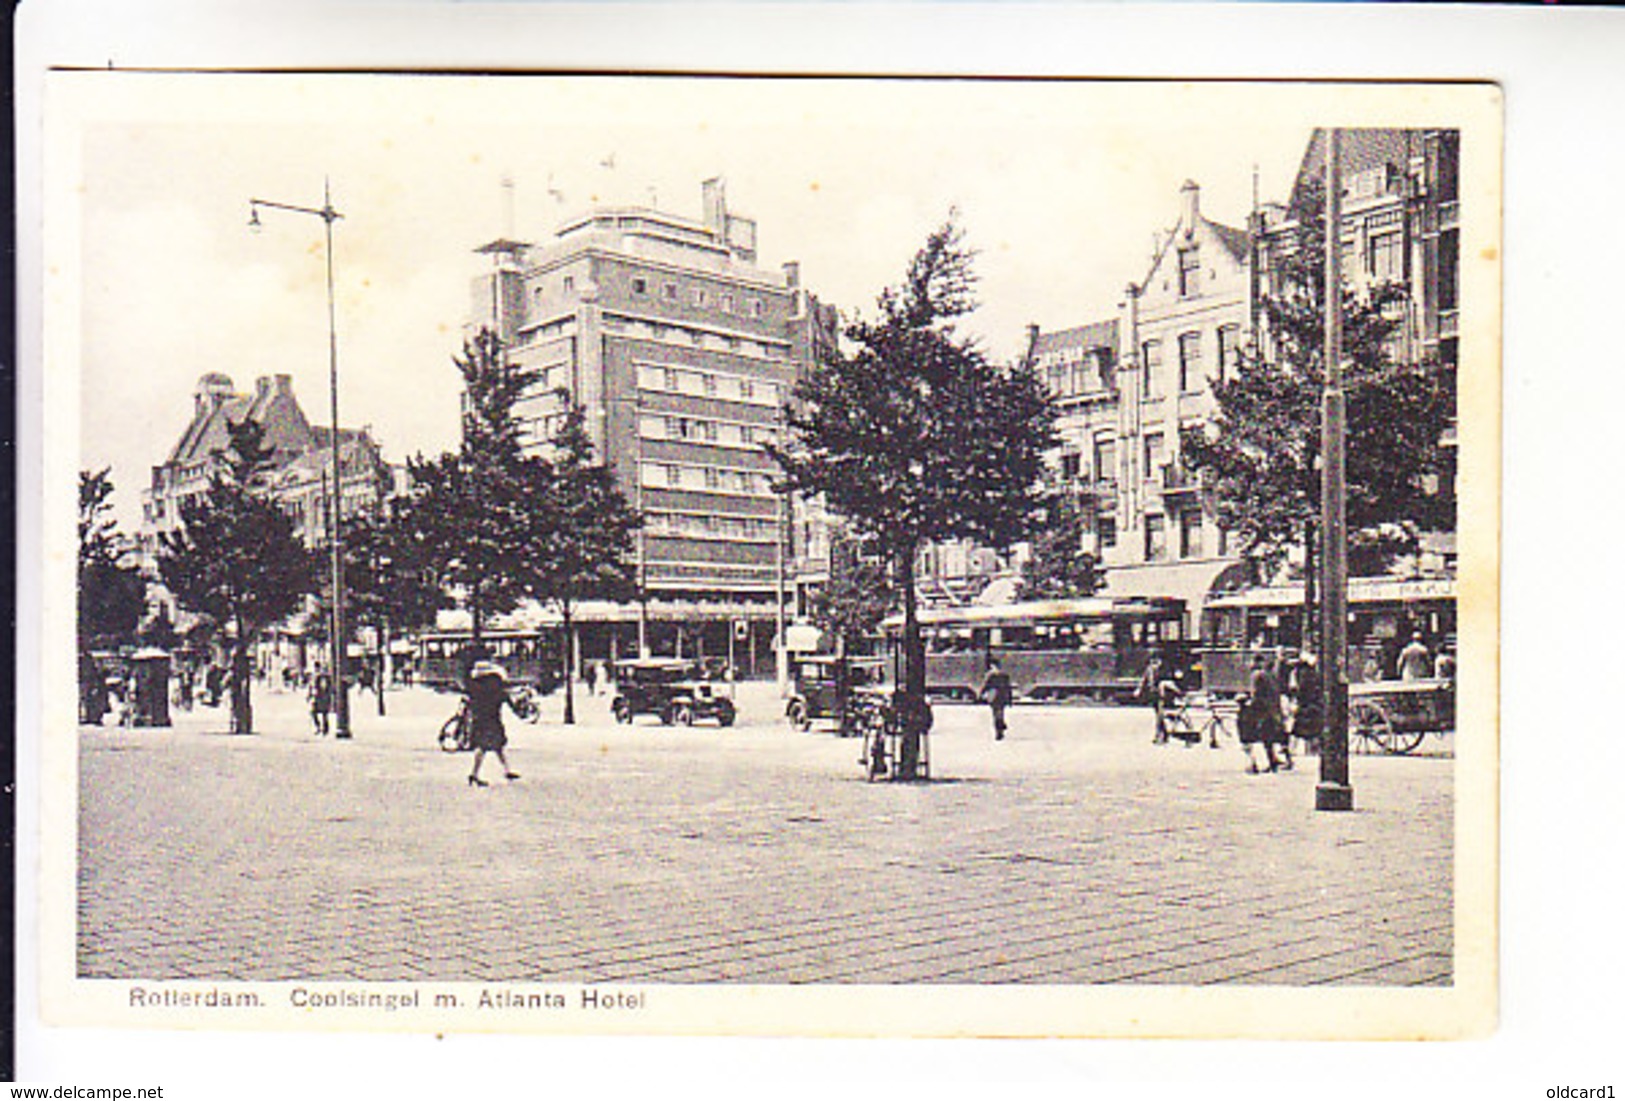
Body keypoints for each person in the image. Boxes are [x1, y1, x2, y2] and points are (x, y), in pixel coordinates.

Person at [465, 661, 521, 788]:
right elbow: (508, 700)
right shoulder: (496, 687)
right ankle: (474, 774)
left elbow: (471, 703)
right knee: (488, 746)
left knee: (494, 746)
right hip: (493, 719)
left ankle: (507, 770)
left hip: (480, 719)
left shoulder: (475, 688)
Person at [1240, 654, 1286, 774]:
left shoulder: (1257, 675)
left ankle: (1253, 763)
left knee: (1248, 736)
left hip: (1260, 710)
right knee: (1268, 738)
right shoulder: (1270, 675)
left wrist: (1249, 704)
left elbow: (1255, 694)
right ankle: (1273, 761)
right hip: (1271, 710)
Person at [1287, 651, 1321, 758]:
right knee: (1312, 728)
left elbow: (1298, 688)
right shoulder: (1311, 673)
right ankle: (1312, 748)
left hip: (1304, 703)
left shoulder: (1301, 673)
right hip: (1312, 703)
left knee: (1298, 729)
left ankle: (1292, 749)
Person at [980, 659, 1013, 742]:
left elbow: (986, 686)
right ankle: (1001, 725)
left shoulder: (990, 676)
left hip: (995, 696)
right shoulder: (1005, 676)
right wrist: (1009, 699)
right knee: (1000, 713)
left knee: (996, 714)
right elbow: (1008, 688)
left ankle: (999, 732)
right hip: (1002, 696)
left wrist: (981, 694)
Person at [308, 664, 333, 736]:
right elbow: (312, 686)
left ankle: (323, 728)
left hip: (321, 697)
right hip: (319, 697)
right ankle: (322, 728)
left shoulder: (322, 677)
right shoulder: (316, 676)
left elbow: (324, 687)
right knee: (316, 713)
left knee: (322, 713)